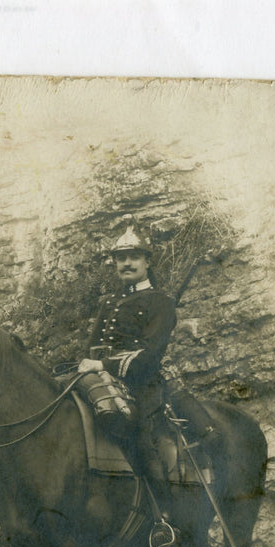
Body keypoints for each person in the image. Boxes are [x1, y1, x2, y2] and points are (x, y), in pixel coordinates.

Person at [78, 217, 176, 517]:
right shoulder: (109, 302)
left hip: (141, 383)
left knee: (143, 437)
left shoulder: (160, 301)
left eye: (134, 257)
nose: (127, 263)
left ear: (147, 261)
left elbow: (148, 357)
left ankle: (165, 514)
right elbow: (91, 347)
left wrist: (103, 364)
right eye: (121, 258)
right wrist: (88, 364)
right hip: (101, 380)